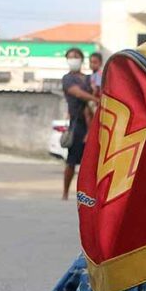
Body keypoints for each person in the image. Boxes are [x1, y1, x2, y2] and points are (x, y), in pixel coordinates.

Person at [61, 47, 98, 201]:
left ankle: (88, 194)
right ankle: (65, 192)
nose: (73, 59)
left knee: (90, 163)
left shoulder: (90, 77)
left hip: (93, 122)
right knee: (71, 161)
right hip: (77, 124)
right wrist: (95, 99)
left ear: (82, 59)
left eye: (76, 56)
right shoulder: (68, 78)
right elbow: (77, 93)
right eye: (70, 57)